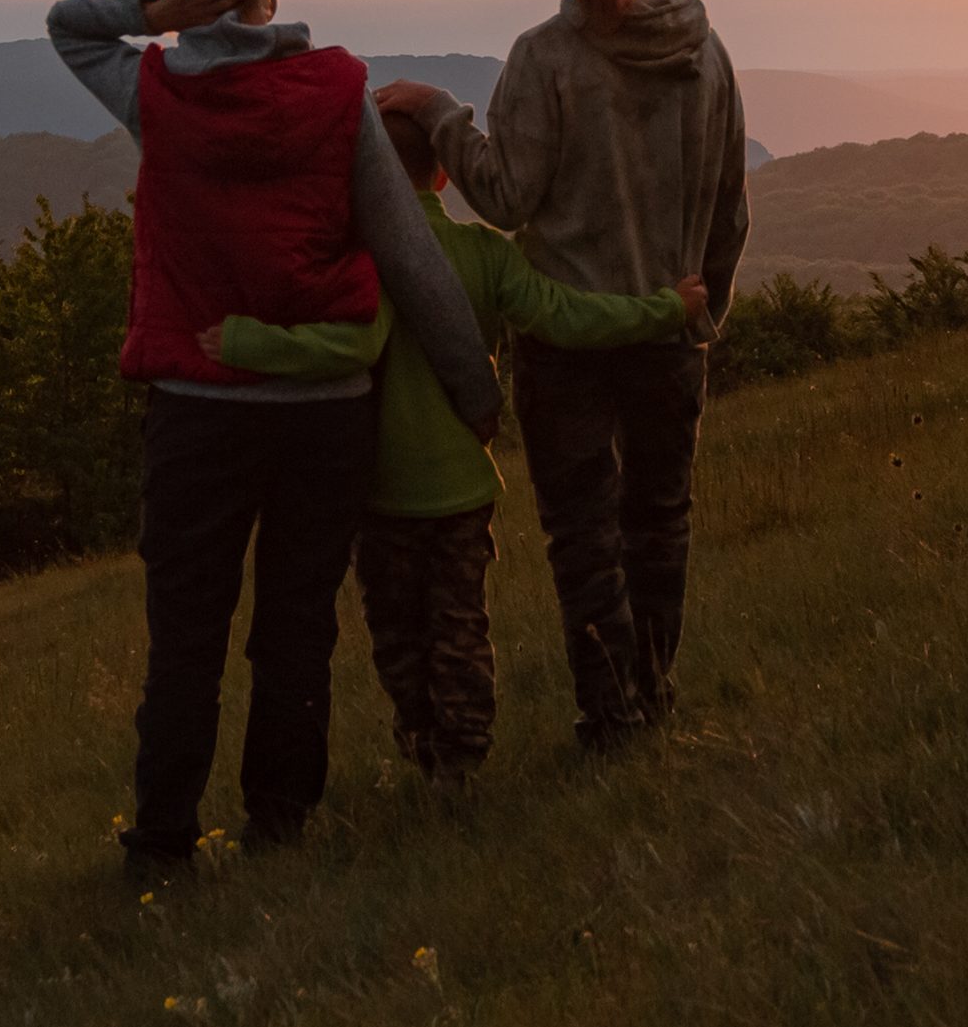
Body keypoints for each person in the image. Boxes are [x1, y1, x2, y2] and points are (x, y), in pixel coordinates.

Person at [48, 0, 503, 879]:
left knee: (187, 635)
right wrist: (476, 389)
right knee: (296, 627)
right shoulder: (338, 93)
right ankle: (281, 826)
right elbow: (409, 254)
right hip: (324, 417)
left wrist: (152, 12)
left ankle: (162, 845)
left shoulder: (160, 92)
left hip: (196, 414)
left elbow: (68, 26)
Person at [198, 109, 709, 786]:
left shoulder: (355, 258)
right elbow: (567, 315)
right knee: (460, 629)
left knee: (396, 639)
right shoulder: (485, 253)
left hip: (379, 492)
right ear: (443, 174)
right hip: (463, 490)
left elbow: (343, 347)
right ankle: (461, 768)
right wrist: (666, 309)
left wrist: (243, 341)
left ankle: (429, 755)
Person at [381, 0, 748, 750]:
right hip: (669, 336)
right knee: (660, 526)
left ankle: (611, 716)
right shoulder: (705, 55)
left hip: (566, 346)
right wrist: (701, 315)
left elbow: (506, 197)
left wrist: (440, 112)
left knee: (585, 539)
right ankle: (650, 697)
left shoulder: (545, 60)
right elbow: (730, 208)